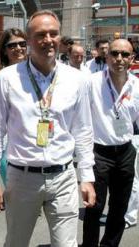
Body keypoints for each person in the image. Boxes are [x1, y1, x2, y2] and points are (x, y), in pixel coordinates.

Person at [0, 10, 96, 247]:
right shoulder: (7, 78)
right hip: (22, 178)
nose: (48, 40)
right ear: (29, 39)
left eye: (53, 33)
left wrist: (86, 176)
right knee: (16, 242)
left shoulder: (76, 80)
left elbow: (83, 131)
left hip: (63, 176)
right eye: (40, 35)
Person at [82, 39, 139, 247]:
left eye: (125, 55)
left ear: (132, 59)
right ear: (106, 57)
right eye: (115, 54)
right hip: (99, 153)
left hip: (125, 152)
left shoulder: (137, 85)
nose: (119, 59)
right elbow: (82, 119)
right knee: (94, 207)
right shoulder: (92, 82)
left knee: (119, 207)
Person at [0, 27, 27, 184]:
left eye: (22, 44)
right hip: (5, 149)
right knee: (14, 193)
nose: (18, 48)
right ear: (4, 51)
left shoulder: (36, 78)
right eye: (12, 45)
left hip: (30, 147)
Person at [124, 123, 139, 229]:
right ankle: (122, 215)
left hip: (133, 136)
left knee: (131, 178)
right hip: (125, 135)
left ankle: (130, 217)